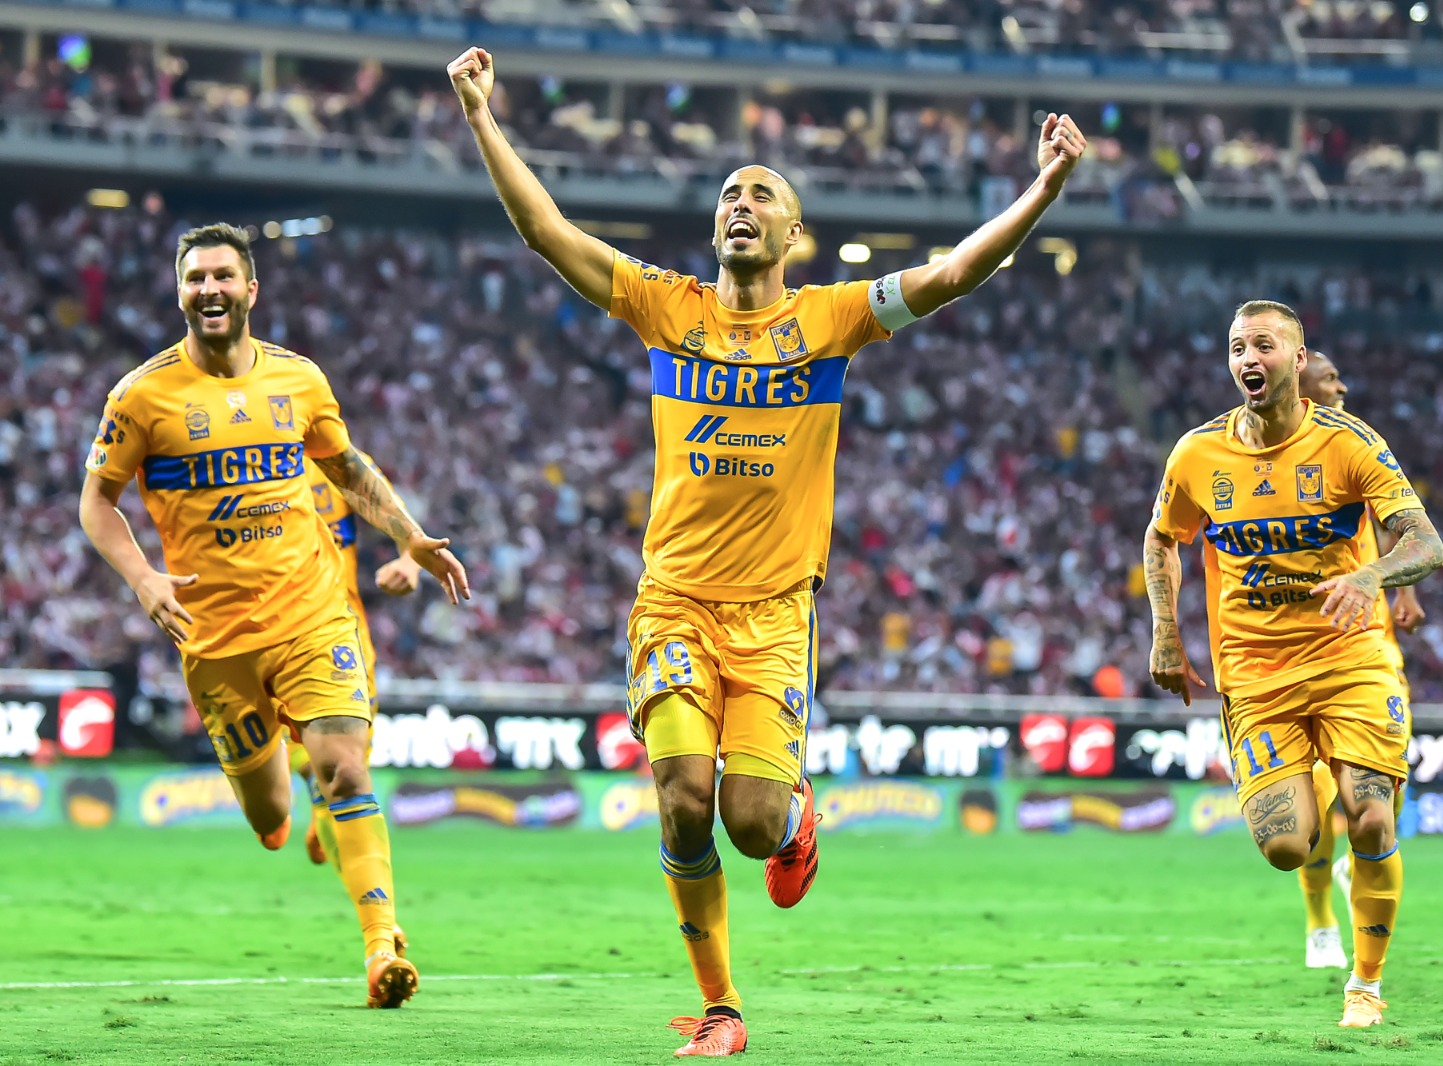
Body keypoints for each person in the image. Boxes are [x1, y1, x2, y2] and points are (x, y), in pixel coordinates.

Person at [447, 45, 1085, 1057]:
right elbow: (543, 229)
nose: (744, 202)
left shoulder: (828, 318)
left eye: (765, 194)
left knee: (747, 823)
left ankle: (792, 819)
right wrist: (482, 115)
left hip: (777, 613)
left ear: (797, 233)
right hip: (672, 603)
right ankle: (721, 1008)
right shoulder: (668, 305)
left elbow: (956, 273)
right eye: (731, 193)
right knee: (681, 795)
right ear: (716, 227)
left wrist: (1043, 187)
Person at [78, 223, 470, 1009]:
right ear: (180, 291)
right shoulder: (141, 395)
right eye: (195, 279)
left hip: (312, 614)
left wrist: (409, 535)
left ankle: (381, 945)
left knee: (348, 765)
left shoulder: (299, 381)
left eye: (223, 276)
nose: (209, 290)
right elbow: (97, 501)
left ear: (251, 289)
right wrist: (142, 578)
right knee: (269, 814)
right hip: (216, 641)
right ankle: (287, 810)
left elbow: (348, 469)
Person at [1143, 301, 1443, 1029]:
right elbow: (1162, 540)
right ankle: (1318, 908)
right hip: (1254, 674)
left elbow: (1425, 543)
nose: (1250, 357)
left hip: (1350, 658)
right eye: (1238, 346)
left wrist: (1372, 579)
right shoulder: (1197, 454)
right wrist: (1165, 635)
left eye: (1266, 345)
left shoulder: (1350, 442)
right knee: (1285, 846)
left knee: (1370, 819)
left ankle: (1364, 986)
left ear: (1297, 358)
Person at [1294, 351, 1426, 970]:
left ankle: (1357, 867)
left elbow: (1400, 526)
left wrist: (1404, 588)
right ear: (1300, 385)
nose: (1342, 384)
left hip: (1369, 648)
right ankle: (1320, 920)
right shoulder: (1258, 459)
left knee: (1381, 799)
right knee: (1316, 811)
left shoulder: (1354, 447)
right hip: (1294, 657)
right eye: (1330, 377)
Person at [287, 458, 421, 874]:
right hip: (273, 638)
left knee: (346, 773)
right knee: (325, 772)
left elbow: (400, 520)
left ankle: (325, 812)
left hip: (345, 638)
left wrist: (410, 561)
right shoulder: (234, 455)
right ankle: (378, 921)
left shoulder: (336, 458)